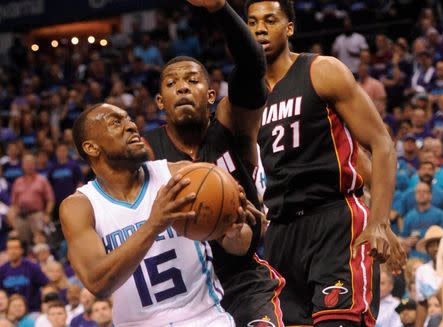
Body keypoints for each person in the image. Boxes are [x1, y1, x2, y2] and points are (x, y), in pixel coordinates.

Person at [244, 1, 406, 326]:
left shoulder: (320, 71)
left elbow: (380, 143)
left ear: (289, 27)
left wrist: (380, 223)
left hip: (334, 221)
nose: (260, 28)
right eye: (252, 22)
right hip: (281, 232)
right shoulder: (246, 100)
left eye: (270, 20)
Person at [144, 1, 284, 326]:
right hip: (185, 291)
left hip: (242, 278)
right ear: (160, 102)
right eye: (171, 83)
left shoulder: (231, 122)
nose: (182, 87)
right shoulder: (147, 150)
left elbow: (252, 65)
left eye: (192, 81)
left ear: (210, 94)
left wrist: (220, 8)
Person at [61, 102, 250, 326]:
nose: (131, 126)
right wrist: (153, 224)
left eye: (129, 119)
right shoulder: (80, 206)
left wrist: (235, 231)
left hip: (205, 319)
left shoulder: (180, 175)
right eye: (115, 122)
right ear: (92, 148)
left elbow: (239, 246)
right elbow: (97, 282)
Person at [0, 236, 49, 312]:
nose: (12, 251)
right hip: (9, 312)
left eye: (15, 248)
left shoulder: (32, 267)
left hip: (32, 310)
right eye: (9, 248)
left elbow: (46, 285)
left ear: (21, 250)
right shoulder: (2, 270)